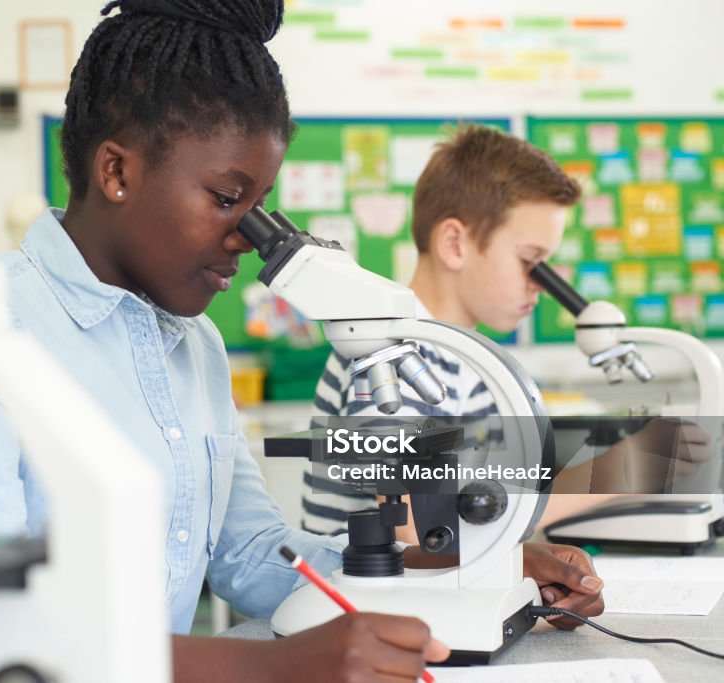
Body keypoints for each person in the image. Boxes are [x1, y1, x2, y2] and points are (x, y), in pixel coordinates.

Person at [0, 2, 603, 680]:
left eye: (260, 207)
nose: (248, 239)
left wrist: (476, 568)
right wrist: (273, 666)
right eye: (227, 198)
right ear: (117, 172)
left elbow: (254, 554)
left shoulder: (195, 345)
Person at [302, 126, 710, 557]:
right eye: (530, 262)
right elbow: (421, 533)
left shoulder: (467, 359)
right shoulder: (394, 353)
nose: (542, 286)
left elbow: (487, 498)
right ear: (455, 243)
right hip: (364, 611)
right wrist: (617, 473)